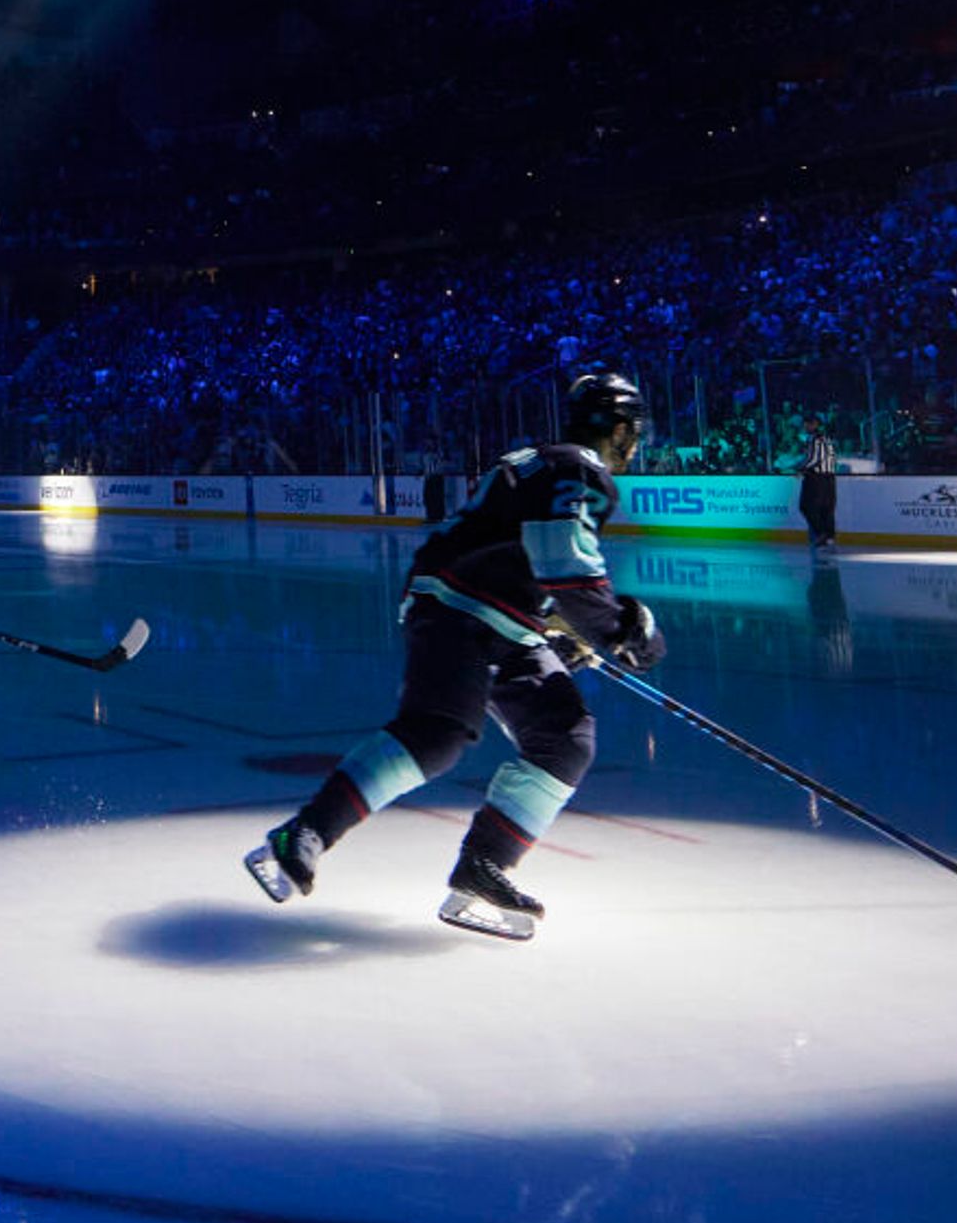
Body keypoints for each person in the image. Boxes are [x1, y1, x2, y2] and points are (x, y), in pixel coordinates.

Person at [244, 373, 665, 942]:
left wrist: (561, 632)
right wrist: (623, 631)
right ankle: (303, 834)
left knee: (566, 735)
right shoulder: (580, 470)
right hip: (463, 606)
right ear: (620, 429)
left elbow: (527, 562)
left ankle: (483, 868)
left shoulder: (543, 461)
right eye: (633, 432)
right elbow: (564, 564)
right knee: (437, 734)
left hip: (496, 616)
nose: (635, 445)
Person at [796, 428, 842, 557]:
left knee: (806, 506)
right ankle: (828, 537)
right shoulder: (828, 440)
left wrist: (800, 469)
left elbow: (814, 459)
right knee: (826, 508)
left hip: (816, 478)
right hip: (829, 477)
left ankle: (822, 534)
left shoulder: (815, 439)